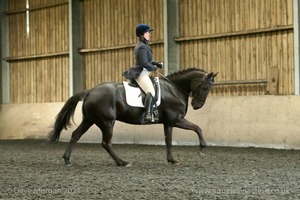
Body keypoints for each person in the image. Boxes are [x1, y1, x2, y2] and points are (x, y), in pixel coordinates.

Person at [123, 24, 163, 123]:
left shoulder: (144, 45)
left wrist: (156, 63)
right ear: (142, 35)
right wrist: (153, 68)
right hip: (140, 73)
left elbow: (147, 60)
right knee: (151, 92)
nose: (149, 34)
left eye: (149, 32)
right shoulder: (142, 47)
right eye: (147, 32)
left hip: (144, 72)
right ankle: (148, 115)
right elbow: (144, 63)